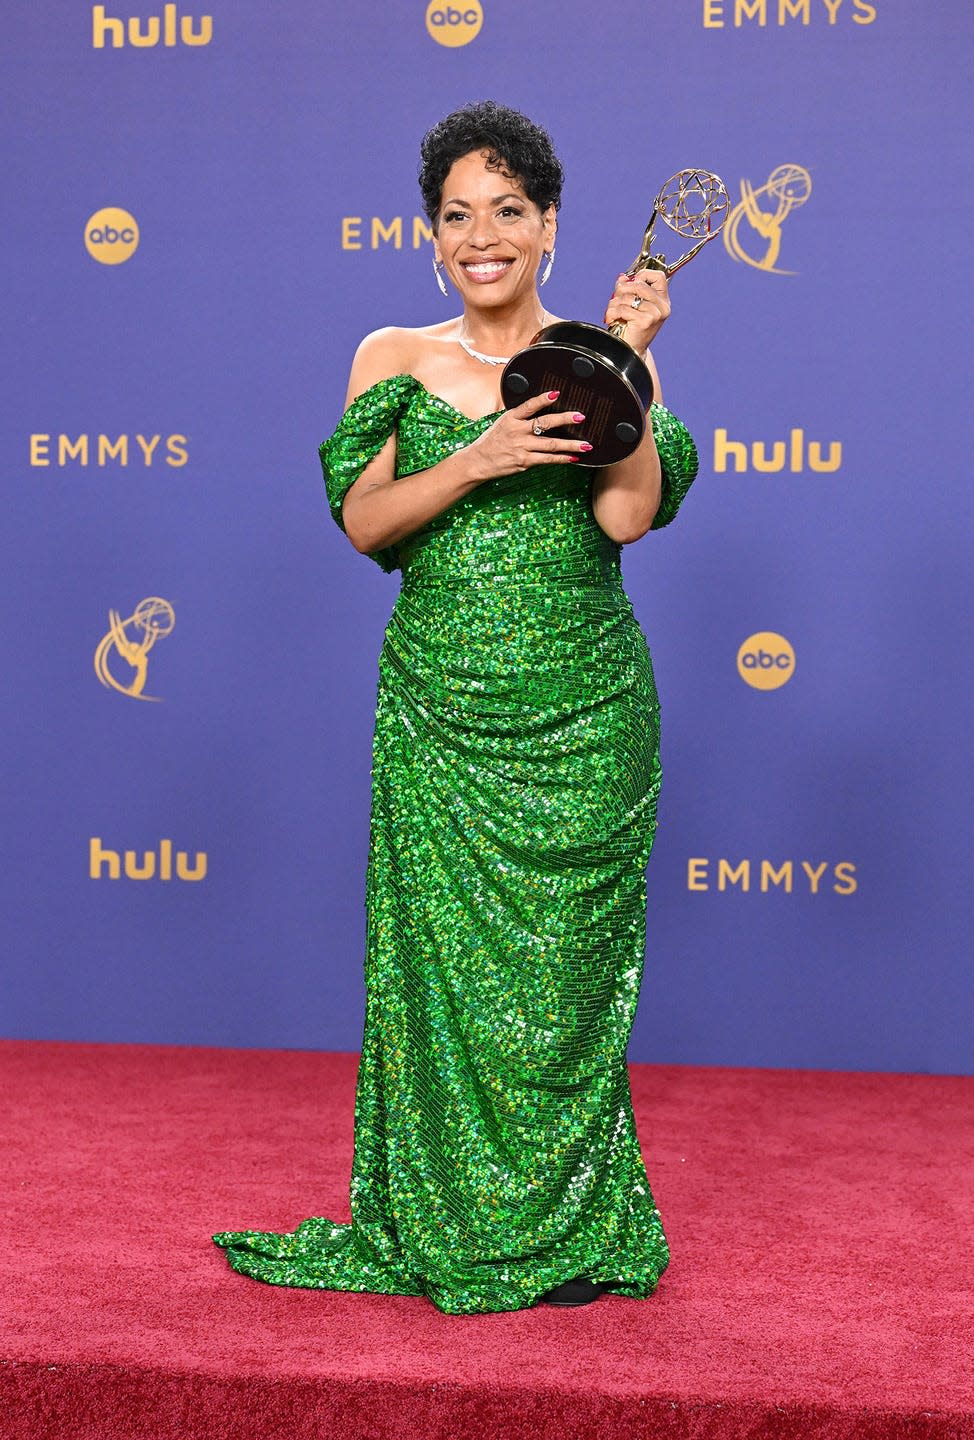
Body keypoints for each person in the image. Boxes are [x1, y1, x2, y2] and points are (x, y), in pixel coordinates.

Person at [213, 100, 698, 1315]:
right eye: (455, 216)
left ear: (548, 228)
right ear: (431, 234)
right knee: (441, 984)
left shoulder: (587, 358)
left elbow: (624, 515)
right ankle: (447, 1221)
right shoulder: (391, 355)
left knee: (565, 991)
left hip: (583, 716)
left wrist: (634, 354)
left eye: (507, 213)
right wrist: (476, 458)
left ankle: (569, 1232)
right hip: (439, 713)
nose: (480, 237)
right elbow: (364, 523)